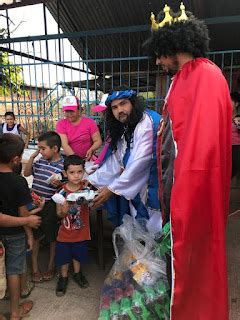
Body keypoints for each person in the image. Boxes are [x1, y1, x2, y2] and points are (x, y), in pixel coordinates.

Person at [144, 3, 232, 320]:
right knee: (183, 263)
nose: (157, 61)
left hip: (192, 193)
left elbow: (199, 152)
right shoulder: (184, 77)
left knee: (194, 262)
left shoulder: (205, 76)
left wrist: (183, 200)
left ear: (173, 45)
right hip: (178, 190)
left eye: (159, 53)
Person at [88, 87, 161, 230]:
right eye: (114, 107)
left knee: (155, 232)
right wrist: (91, 180)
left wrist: (112, 188)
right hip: (138, 190)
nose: (119, 110)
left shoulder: (147, 122)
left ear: (133, 103)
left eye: (123, 104)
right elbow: (117, 159)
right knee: (140, 233)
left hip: (154, 187)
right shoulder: (127, 125)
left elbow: (141, 162)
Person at [0, 133, 37, 320]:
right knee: (14, 270)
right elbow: (24, 214)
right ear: (15, 159)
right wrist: (29, 232)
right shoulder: (19, 182)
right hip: (15, 234)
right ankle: (15, 312)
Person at [23, 131, 64, 283]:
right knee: (35, 236)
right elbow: (27, 174)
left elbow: (65, 186)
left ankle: (51, 265)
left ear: (54, 149)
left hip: (49, 205)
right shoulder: (39, 161)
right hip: (34, 203)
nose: (40, 151)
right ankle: (34, 268)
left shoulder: (62, 165)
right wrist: (33, 157)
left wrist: (60, 184)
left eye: (42, 148)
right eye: (39, 148)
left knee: (52, 237)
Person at [54, 155, 90, 297]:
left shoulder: (86, 189)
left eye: (80, 172)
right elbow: (59, 214)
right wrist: (64, 209)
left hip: (81, 232)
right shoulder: (61, 192)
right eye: (72, 172)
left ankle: (77, 274)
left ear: (84, 171)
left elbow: (93, 203)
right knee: (64, 257)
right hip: (65, 232)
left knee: (78, 255)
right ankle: (63, 278)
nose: (76, 176)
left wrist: (89, 199)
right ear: (65, 173)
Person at [56, 95, 102, 160]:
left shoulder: (89, 122)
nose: (69, 114)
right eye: (66, 111)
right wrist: (76, 160)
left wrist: (91, 149)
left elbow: (98, 141)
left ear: (79, 109)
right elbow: (65, 145)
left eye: (72, 111)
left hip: (89, 158)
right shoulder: (61, 124)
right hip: (71, 159)